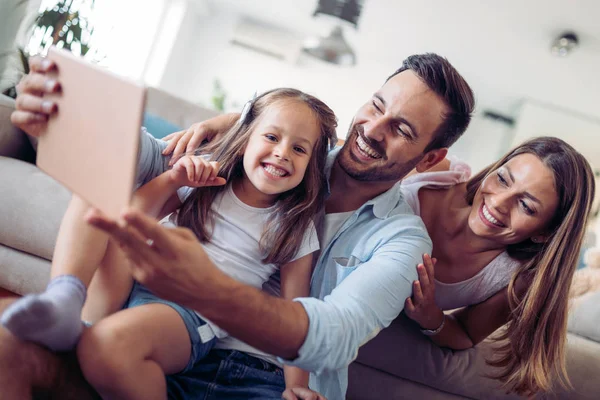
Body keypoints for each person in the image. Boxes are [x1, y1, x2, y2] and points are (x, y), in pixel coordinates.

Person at [1, 52, 475, 400]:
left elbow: (332, 332)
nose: (373, 129)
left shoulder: (402, 240)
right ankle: (63, 297)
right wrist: (63, 112)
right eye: (376, 106)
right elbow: (136, 157)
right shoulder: (261, 154)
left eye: (403, 130)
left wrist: (206, 289)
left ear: (430, 159)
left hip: (259, 382)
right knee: (7, 348)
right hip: (141, 333)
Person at [3, 88, 338, 399]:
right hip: (136, 286)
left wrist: (296, 386)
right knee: (105, 191)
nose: (281, 153)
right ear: (246, 137)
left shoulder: (294, 224)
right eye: (271, 137)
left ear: (311, 164)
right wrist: (175, 178)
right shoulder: (205, 177)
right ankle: (65, 295)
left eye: (298, 148)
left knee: (115, 347)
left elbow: (296, 313)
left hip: (192, 316)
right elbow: (133, 217)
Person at [398, 137, 595, 395]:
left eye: (526, 205)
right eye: (503, 179)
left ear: (545, 233)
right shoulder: (435, 173)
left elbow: (466, 334)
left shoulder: (515, 277)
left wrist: (431, 316)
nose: (499, 202)